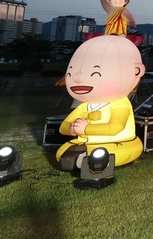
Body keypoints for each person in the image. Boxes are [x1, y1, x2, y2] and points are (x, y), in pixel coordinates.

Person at [56, 35, 144, 170]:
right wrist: (72, 128)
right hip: (85, 141)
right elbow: (63, 127)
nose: (78, 78)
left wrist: (86, 129)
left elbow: (115, 128)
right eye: (72, 72)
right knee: (63, 154)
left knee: (99, 155)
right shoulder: (85, 104)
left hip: (117, 142)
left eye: (95, 73)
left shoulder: (119, 103)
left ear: (136, 71)